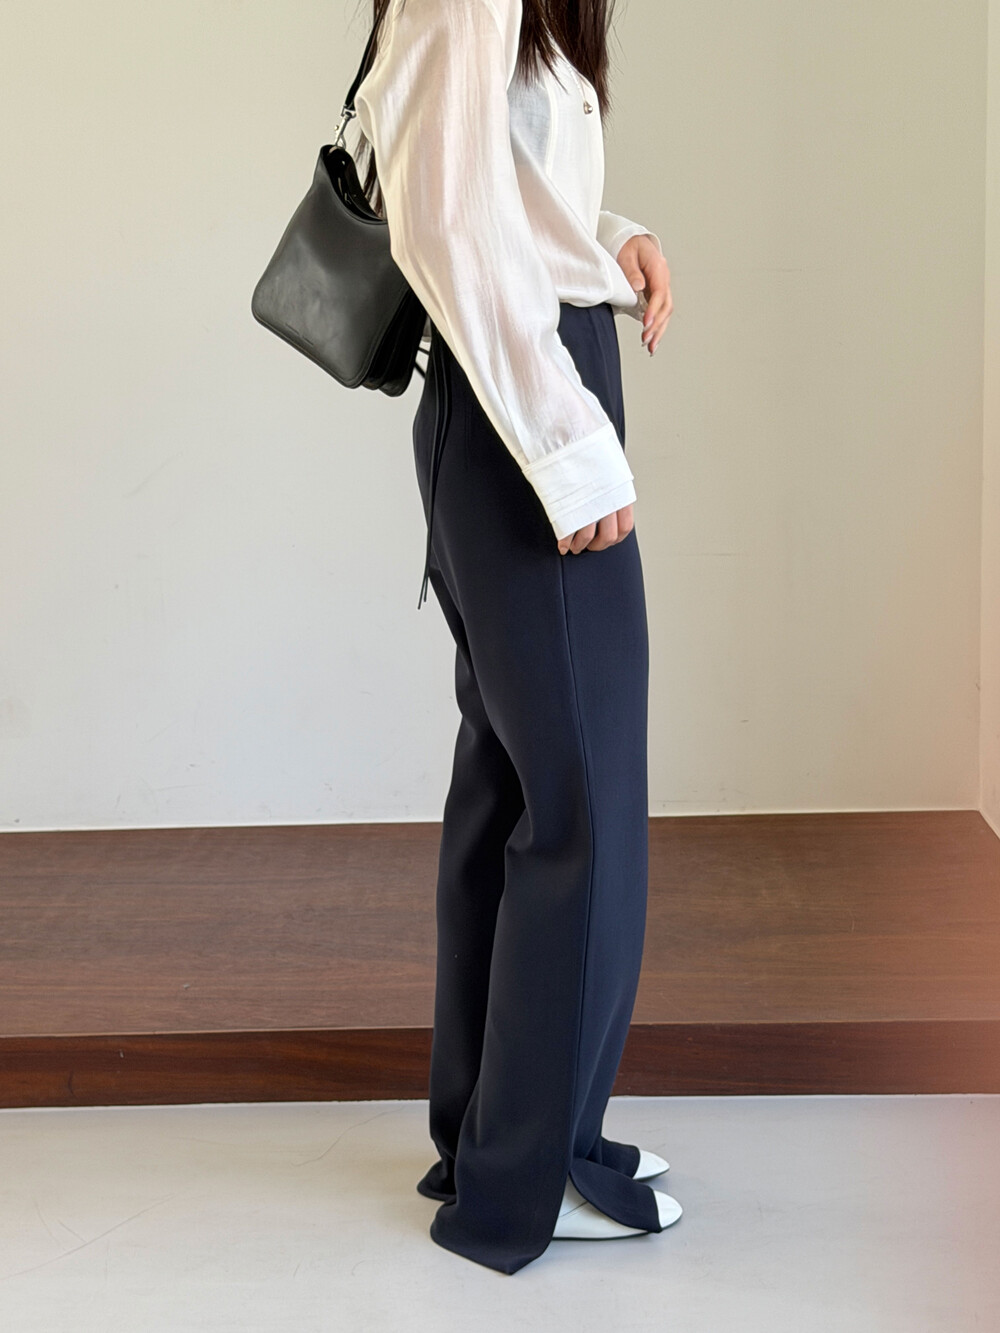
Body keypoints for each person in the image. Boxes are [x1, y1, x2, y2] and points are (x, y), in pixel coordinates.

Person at [354, 0, 678, 1275]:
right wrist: (563, 444)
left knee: (517, 788)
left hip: (524, 383)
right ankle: (536, 1174)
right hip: (519, 408)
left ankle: (497, 1145)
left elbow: (483, 174)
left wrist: (606, 235)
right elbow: (438, 218)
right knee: (582, 803)